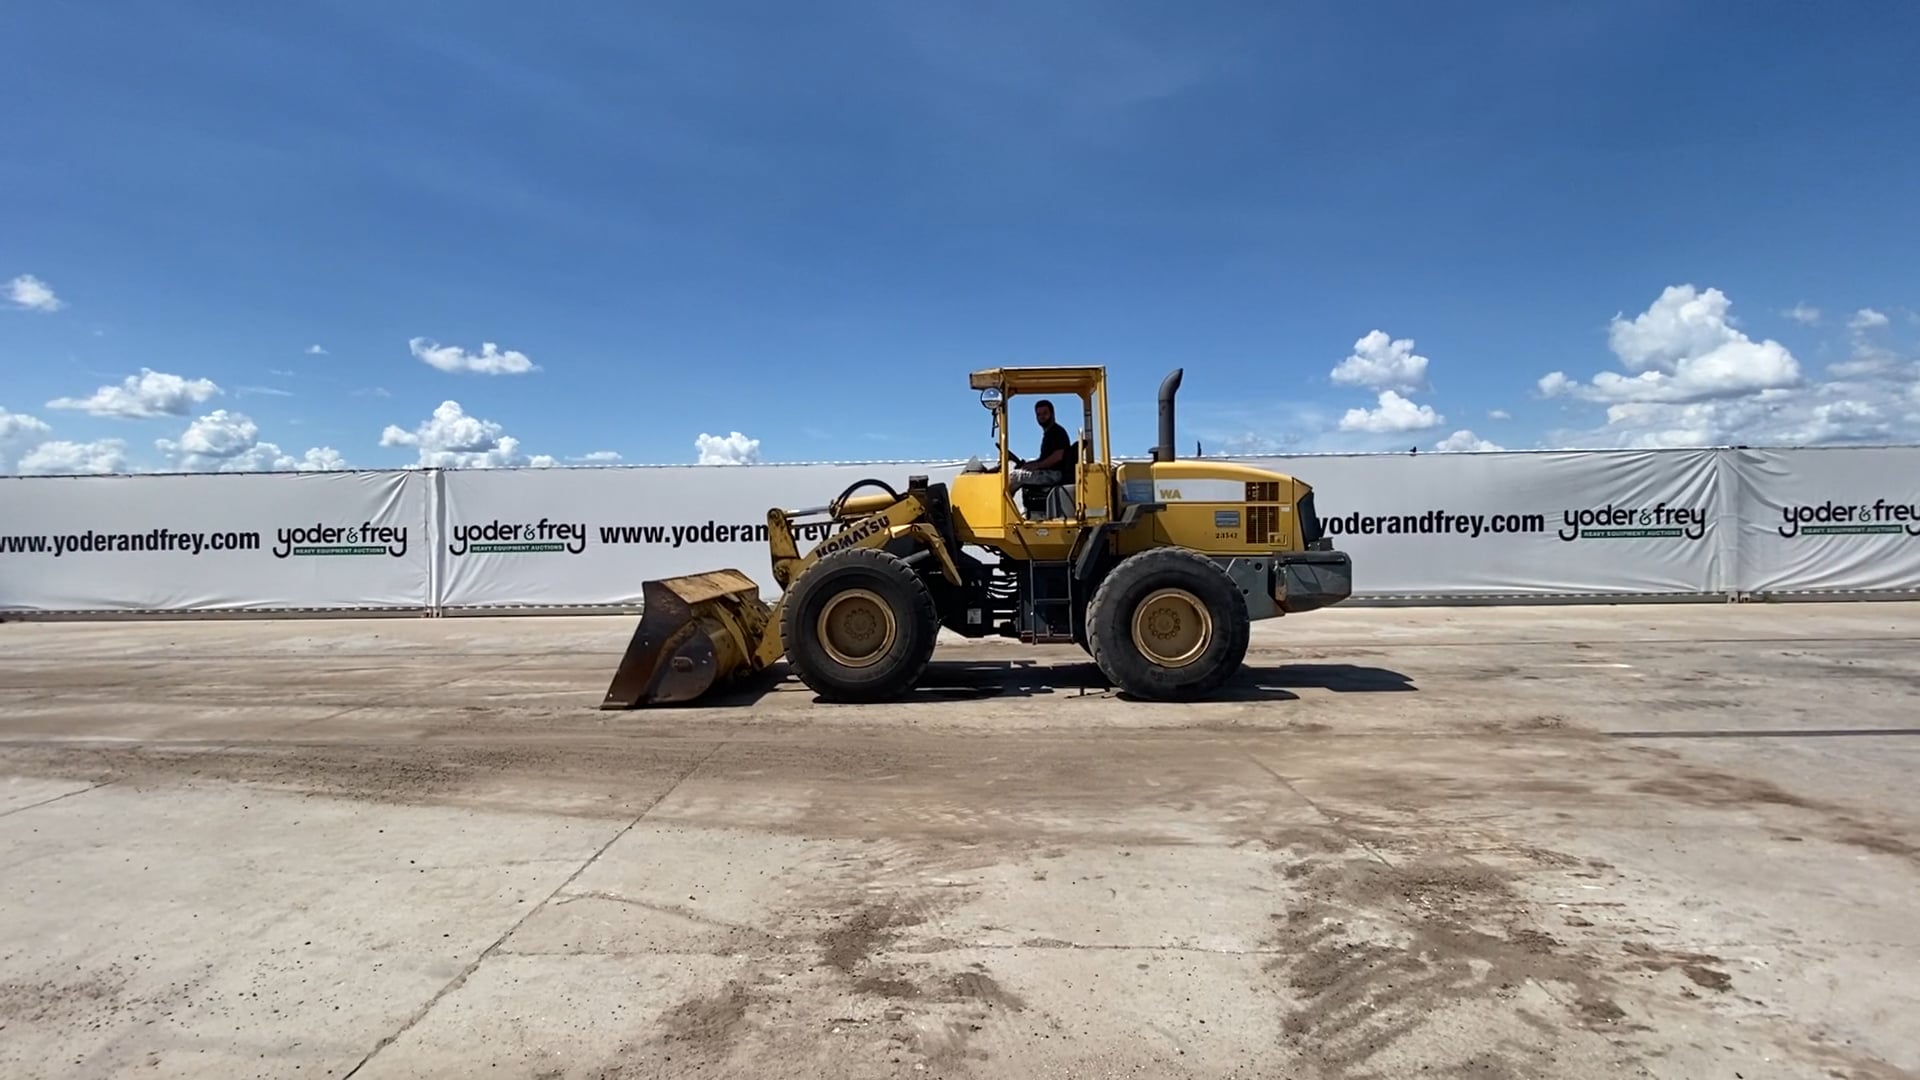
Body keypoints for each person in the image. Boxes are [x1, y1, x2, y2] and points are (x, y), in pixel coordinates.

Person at [1005, 398, 1073, 493]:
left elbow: (1058, 456)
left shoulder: (1057, 432)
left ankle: (1000, 506)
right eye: (1038, 414)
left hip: (1055, 474)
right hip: (1050, 472)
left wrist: (1037, 465)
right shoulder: (1048, 434)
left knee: (1014, 476)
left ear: (1052, 414)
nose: (1041, 417)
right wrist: (1029, 465)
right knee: (1019, 473)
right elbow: (1044, 459)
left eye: (1045, 413)